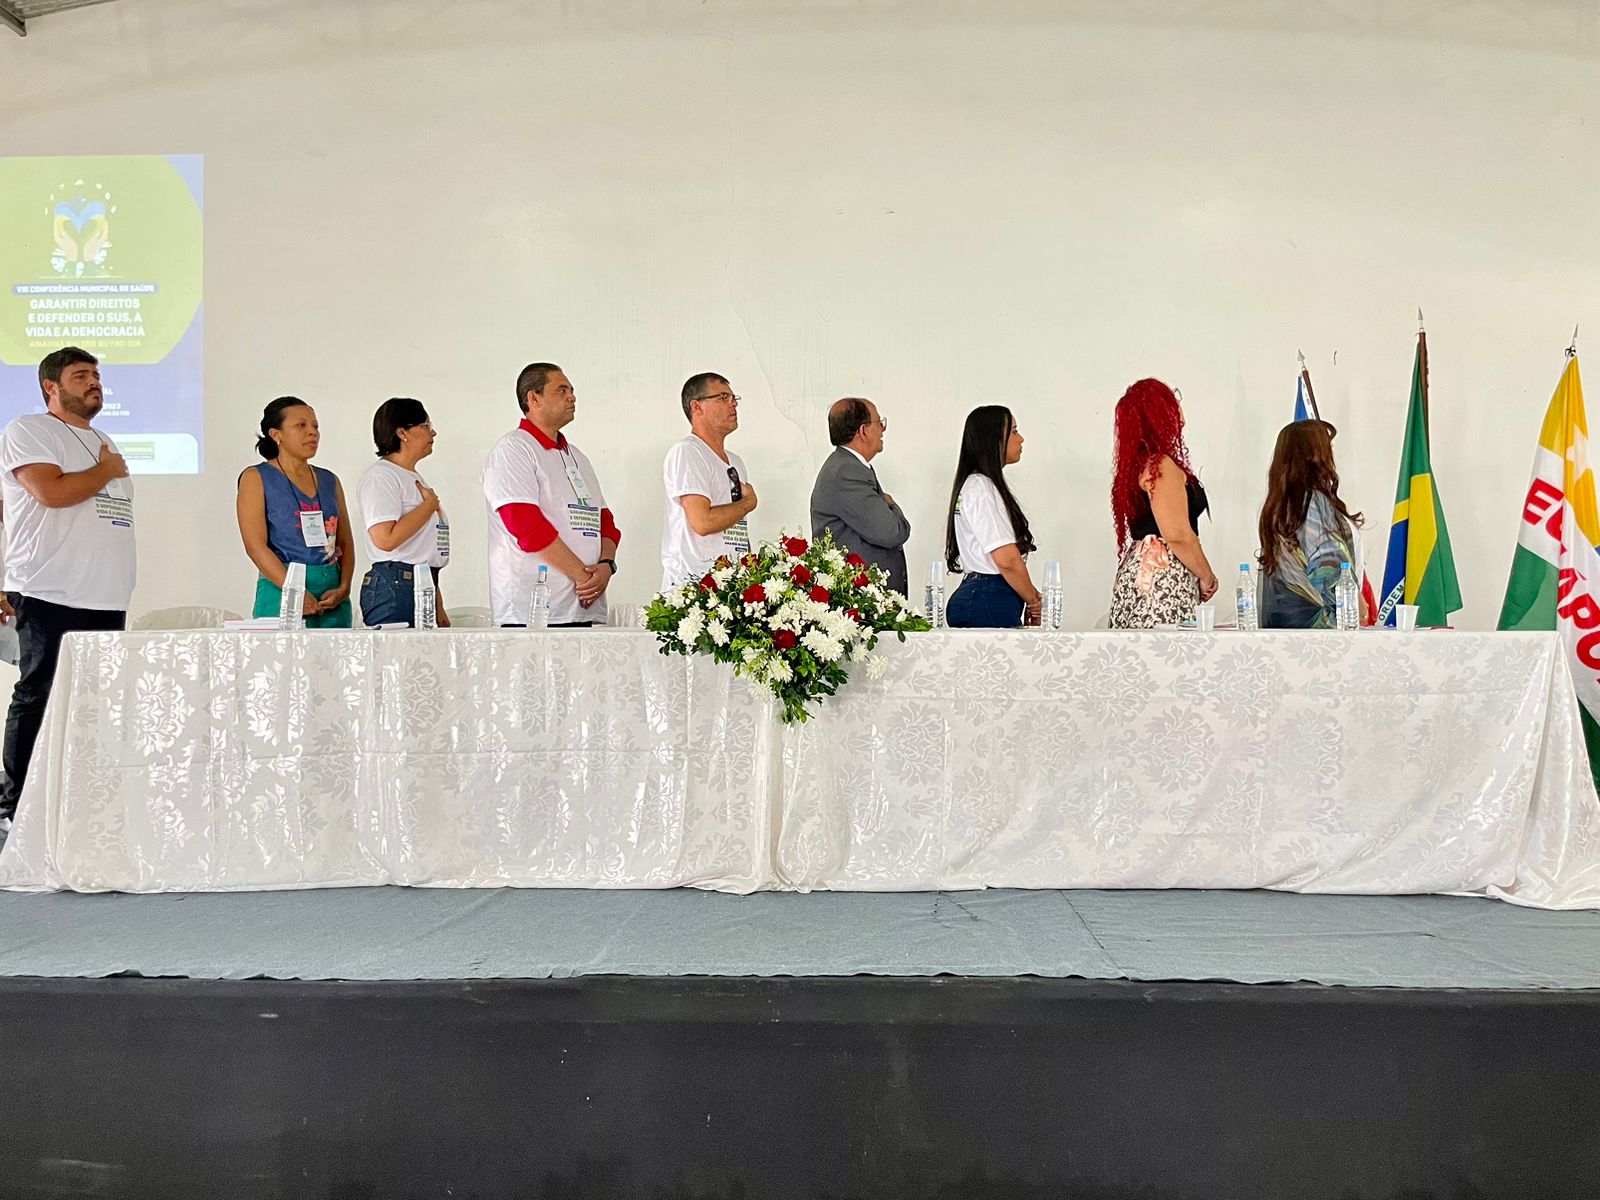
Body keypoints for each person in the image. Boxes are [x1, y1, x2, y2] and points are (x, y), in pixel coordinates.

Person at [0, 347, 133, 828]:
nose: (94, 382)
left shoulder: (103, 440)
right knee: (38, 694)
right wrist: (107, 470)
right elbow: (51, 493)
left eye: (96, 374)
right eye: (81, 375)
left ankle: (75, 801)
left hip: (105, 594)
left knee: (90, 706)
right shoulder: (30, 430)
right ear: (50, 387)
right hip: (49, 589)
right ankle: (17, 809)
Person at [483, 362, 620, 627]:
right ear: (534, 398)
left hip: (583, 606)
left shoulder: (577, 457)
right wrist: (585, 577)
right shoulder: (514, 449)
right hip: (532, 611)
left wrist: (606, 566)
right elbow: (526, 526)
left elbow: (606, 523)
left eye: (572, 390)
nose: (572, 397)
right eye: (562, 390)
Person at [236, 398, 355, 628]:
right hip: (282, 589)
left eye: (315, 426)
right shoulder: (256, 477)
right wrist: (294, 590)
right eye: (301, 425)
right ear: (276, 434)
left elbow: (345, 543)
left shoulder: (330, 479)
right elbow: (255, 547)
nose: (312, 432)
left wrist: (344, 588)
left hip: (332, 596)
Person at [1109, 378, 1218, 628]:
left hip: (1145, 571)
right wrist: (1206, 575)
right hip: (1161, 576)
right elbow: (1177, 534)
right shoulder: (1160, 466)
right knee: (1167, 649)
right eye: (1172, 402)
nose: (1179, 410)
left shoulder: (1139, 466)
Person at [1257, 420, 1366, 628]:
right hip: (1320, 627)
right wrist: (1356, 604)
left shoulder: (1279, 506)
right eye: (1328, 446)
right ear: (1316, 455)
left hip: (1288, 622)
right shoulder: (1313, 504)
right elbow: (1328, 565)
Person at [943, 405, 1040, 628]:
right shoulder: (981, 487)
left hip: (980, 595)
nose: (1021, 439)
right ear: (994, 440)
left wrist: (1030, 594)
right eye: (1014, 432)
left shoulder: (975, 485)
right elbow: (1007, 560)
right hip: (988, 598)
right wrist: (1034, 601)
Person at [357, 398, 451, 628]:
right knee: (395, 652)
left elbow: (422, 549)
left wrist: (437, 603)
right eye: (425, 426)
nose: (433, 432)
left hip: (421, 581)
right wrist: (428, 506)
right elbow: (385, 539)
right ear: (402, 433)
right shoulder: (381, 476)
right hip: (395, 585)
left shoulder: (411, 476)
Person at [661, 372, 758, 589]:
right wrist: (748, 504)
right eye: (723, 397)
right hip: (693, 588)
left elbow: (738, 528)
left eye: (734, 398)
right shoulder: (688, 452)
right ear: (696, 406)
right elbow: (703, 522)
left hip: (731, 588)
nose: (733, 403)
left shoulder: (736, 461)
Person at [809, 397, 911, 595]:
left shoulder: (849, 466)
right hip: (858, 600)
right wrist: (892, 506)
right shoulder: (847, 470)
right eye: (879, 422)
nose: (883, 429)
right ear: (863, 431)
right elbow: (892, 532)